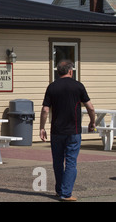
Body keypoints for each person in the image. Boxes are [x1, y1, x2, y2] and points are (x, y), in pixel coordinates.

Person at [39, 60, 96, 201]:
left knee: (57, 161)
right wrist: (92, 121)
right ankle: (66, 193)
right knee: (70, 162)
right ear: (70, 71)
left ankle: (59, 190)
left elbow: (45, 109)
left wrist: (42, 127)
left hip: (56, 131)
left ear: (58, 72)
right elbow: (91, 107)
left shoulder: (52, 87)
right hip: (73, 130)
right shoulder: (78, 86)